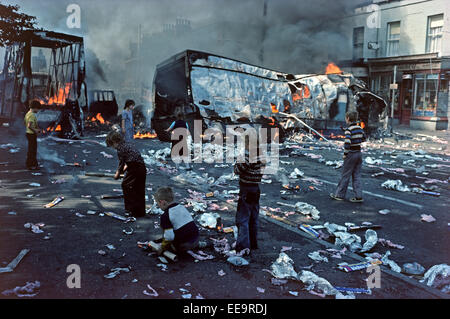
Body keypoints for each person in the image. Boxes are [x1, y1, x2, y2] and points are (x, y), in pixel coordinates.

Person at [233, 134, 265, 256]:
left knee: (243, 219)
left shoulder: (247, 156)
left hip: (246, 189)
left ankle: (242, 246)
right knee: (253, 218)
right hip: (256, 189)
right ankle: (253, 243)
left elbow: (237, 169)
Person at [106, 130, 146, 218]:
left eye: (112, 145)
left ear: (115, 142)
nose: (113, 147)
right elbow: (129, 161)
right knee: (139, 189)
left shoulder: (120, 148)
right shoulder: (128, 144)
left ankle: (130, 209)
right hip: (141, 167)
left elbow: (121, 163)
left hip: (135, 168)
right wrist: (123, 171)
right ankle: (140, 212)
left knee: (126, 185)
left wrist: (117, 174)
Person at [330, 111, 366, 203]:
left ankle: (339, 195)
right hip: (358, 153)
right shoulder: (359, 128)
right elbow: (363, 138)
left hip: (351, 154)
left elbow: (347, 143)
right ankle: (358, 196)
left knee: (345, 175)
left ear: (348, 119)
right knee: (356, 175)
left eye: (346, 118)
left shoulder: (349, 130)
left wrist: (345, 154)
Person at [154, 186, 199, 254]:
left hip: (183, 245)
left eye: (158, 204)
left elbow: (169, 237)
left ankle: (179, 250)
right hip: (196, 238)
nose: (158, 206)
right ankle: (199, 245)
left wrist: (162, 247)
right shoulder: (181, 207)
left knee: (169, 243)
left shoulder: (165, 216)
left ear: (162, 202)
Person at [24, 99, 42, 170]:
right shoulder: (32, 115)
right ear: (35, 108)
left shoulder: (27, 114)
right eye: (38, 109)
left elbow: (25, 123)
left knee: (31, 150)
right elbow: (29, 125)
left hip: (28, 133)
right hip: (31, 134)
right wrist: (36, 130)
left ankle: (31, 164)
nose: (38, 111)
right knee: (33, 150)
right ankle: (31, 165)